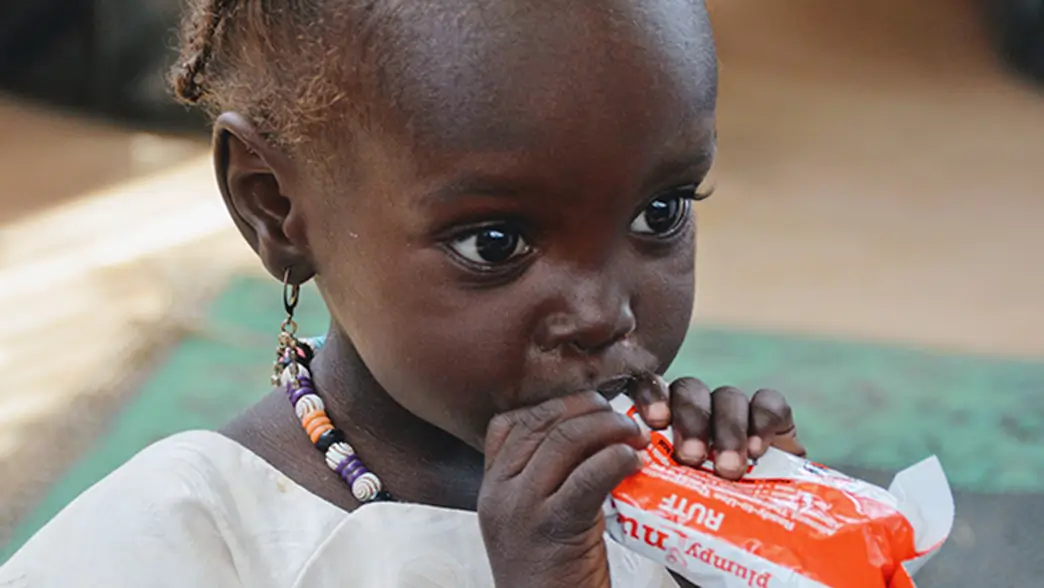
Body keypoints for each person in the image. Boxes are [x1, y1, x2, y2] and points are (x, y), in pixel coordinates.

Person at [0, 0, 807, 586]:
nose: (606, 313)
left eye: (658, 212)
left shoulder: (672, 509)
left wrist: (770, 548)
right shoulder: (181, 544)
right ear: (274, 207)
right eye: (496, 242)